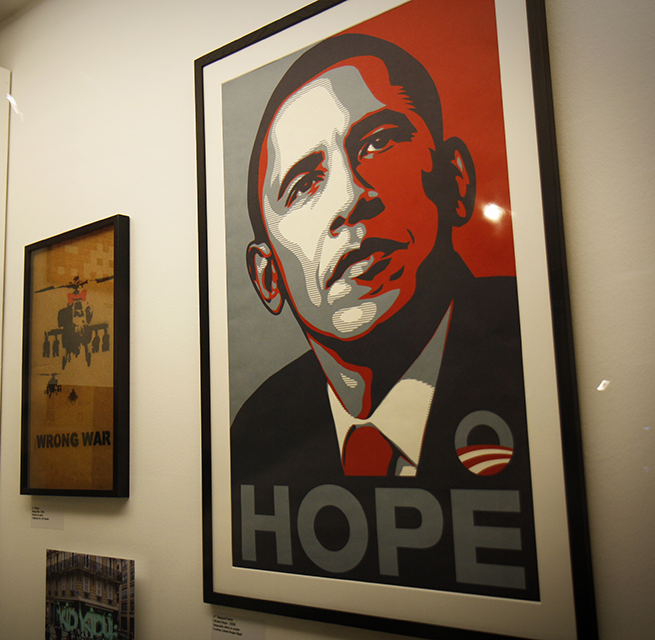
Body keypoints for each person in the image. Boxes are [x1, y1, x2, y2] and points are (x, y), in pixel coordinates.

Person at [230, 33, 537, 598]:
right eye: (304, 183)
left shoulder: (534, 357)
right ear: (268, 277)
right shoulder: (257, 435)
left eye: (377, 143)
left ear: (455, 181)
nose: (350, 197)